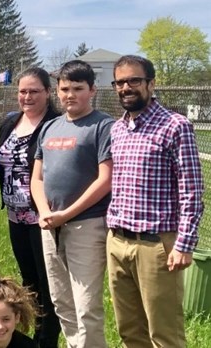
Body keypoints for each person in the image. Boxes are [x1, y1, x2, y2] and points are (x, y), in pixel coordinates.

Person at [107, 55, 204, 347]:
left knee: (164, 335)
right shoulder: (117, 129)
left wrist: (184, 244)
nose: (126, 87)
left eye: (134, 80)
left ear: (151, 83)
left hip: (158, 246)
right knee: (129, 332)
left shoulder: (175, 126)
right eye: (120, 82)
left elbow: (192, 190)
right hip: (118, 243)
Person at [30, 60, 114, 348]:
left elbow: (106, 179)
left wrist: (66, 213)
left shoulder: (103, 125)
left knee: (86, 305)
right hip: (50, 226)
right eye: (65, 89)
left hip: (86, 225)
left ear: (92, 90)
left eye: (78, 88)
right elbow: (37, 179)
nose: (70, 95)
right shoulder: (50, 127)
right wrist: (45, 212)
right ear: (57, 91)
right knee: (61, 301)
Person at [0, 67, 60, 348]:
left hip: (43, 218)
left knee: (48, 285)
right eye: (23, 91)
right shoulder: (10, 123)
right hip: (15, 216)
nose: (28, 96)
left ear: (48, 92)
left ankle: (46, 340)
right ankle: (31, 336)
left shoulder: (56, 124)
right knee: (29, 282)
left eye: (34, 91)